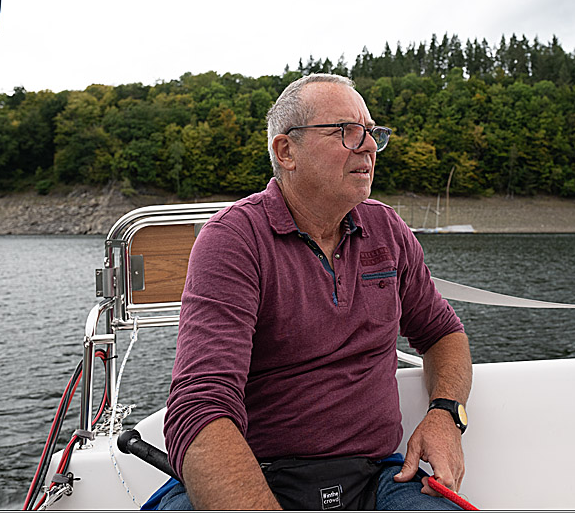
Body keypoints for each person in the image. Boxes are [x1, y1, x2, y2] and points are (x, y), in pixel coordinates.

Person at [161, 73, 472, 510]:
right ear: (286, 151)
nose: (368, 146)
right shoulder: (234, 240)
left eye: (371, 132)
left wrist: (445, 414)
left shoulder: (387, 229)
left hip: (376, 477)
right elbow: (200, 406)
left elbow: (442, 334)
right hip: (260, 476)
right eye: (346, 131)